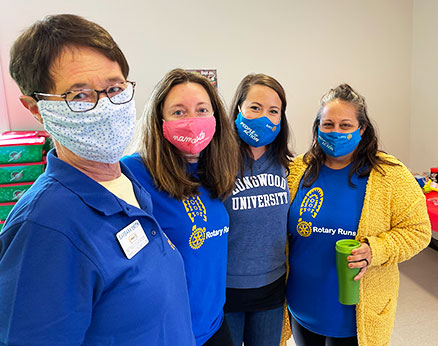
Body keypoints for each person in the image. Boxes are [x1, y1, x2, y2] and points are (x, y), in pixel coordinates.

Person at [0, 14, 195, 345]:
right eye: (79, 96)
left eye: (115, 88)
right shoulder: (44, 229)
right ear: (36, 108)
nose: (107, 107)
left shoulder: (128, 181)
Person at [281, 84, 432, 346]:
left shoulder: (390, 175)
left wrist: (376, 249)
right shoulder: (298, 170)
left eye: (345, 125)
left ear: (361, 129)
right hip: (302, 306)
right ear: (317, 127)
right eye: (328, 124)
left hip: (355, 314)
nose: (335, 132)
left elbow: (418, 231)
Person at [121, 69, 238, 346]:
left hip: (213, 325)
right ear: (159, 119)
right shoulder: (133, 173)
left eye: (201, 110)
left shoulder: (215, 170)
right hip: (166, 334)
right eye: (178, 112)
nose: (192, 122)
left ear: (216, 118)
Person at [223, 74, 293, 346]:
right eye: (255, 107)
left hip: (271, 288)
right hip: (226, 288)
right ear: (239, 109)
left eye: (273, 111)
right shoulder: (218, 163)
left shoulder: (287, 167)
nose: (264, 117)